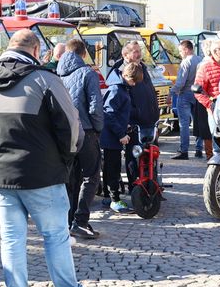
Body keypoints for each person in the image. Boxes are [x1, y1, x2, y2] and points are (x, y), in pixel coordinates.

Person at [0, 29, 108, 287]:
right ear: (36, 50)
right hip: (43, 174)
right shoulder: (45, 80)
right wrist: (64, 160)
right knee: (55, 237)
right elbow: (71, 129)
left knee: (12, 239)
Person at [57, 39, 104, 239]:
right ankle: (81, 221)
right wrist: (98, 129)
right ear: (83, 54)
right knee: (91, 176)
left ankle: (69, 221)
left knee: (70, 178)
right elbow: (95, 107)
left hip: (65, 133)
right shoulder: (87, 73)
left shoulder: (56, 75)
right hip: (86, 131)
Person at [105, 41, 159, 211]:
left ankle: (145, 188)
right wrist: (126, 125)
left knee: (147, 159)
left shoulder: (142, 68)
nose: (138, 54)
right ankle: (125, 193)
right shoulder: (121, 75)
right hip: (130, 126)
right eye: (134, 51)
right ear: (125, 55)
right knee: (128, 160)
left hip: (148, 122)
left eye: (139, 51)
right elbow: (114, 109)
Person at [100, 62, 142, 213]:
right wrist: (121, 134)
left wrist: (126, 127)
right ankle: (114, 199)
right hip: (111, 137)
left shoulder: (122, 87)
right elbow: (109, 113)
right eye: (133, 80)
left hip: (115, 134)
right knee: (113, 168)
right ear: (125, 76)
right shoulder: (117, 89)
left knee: (112, 167)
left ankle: (110, 197)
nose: (134, 84)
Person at [194, 39, 220, 155]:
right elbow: (198, 91)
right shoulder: (205, 67)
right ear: (215, 51)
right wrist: (210, 105)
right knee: (217, 146)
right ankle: (217, 170)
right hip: (216, 112)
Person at [171, 39, 203, 159]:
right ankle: (199, 149)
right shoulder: (200, 60)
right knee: (198, 123)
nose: (180, 53)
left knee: (184, 124)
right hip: (198, 94)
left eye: (180, 51)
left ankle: (184, 151)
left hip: (185, 94)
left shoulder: (185, 62)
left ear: (186, 49)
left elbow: (180, 83)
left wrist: (172, 91)